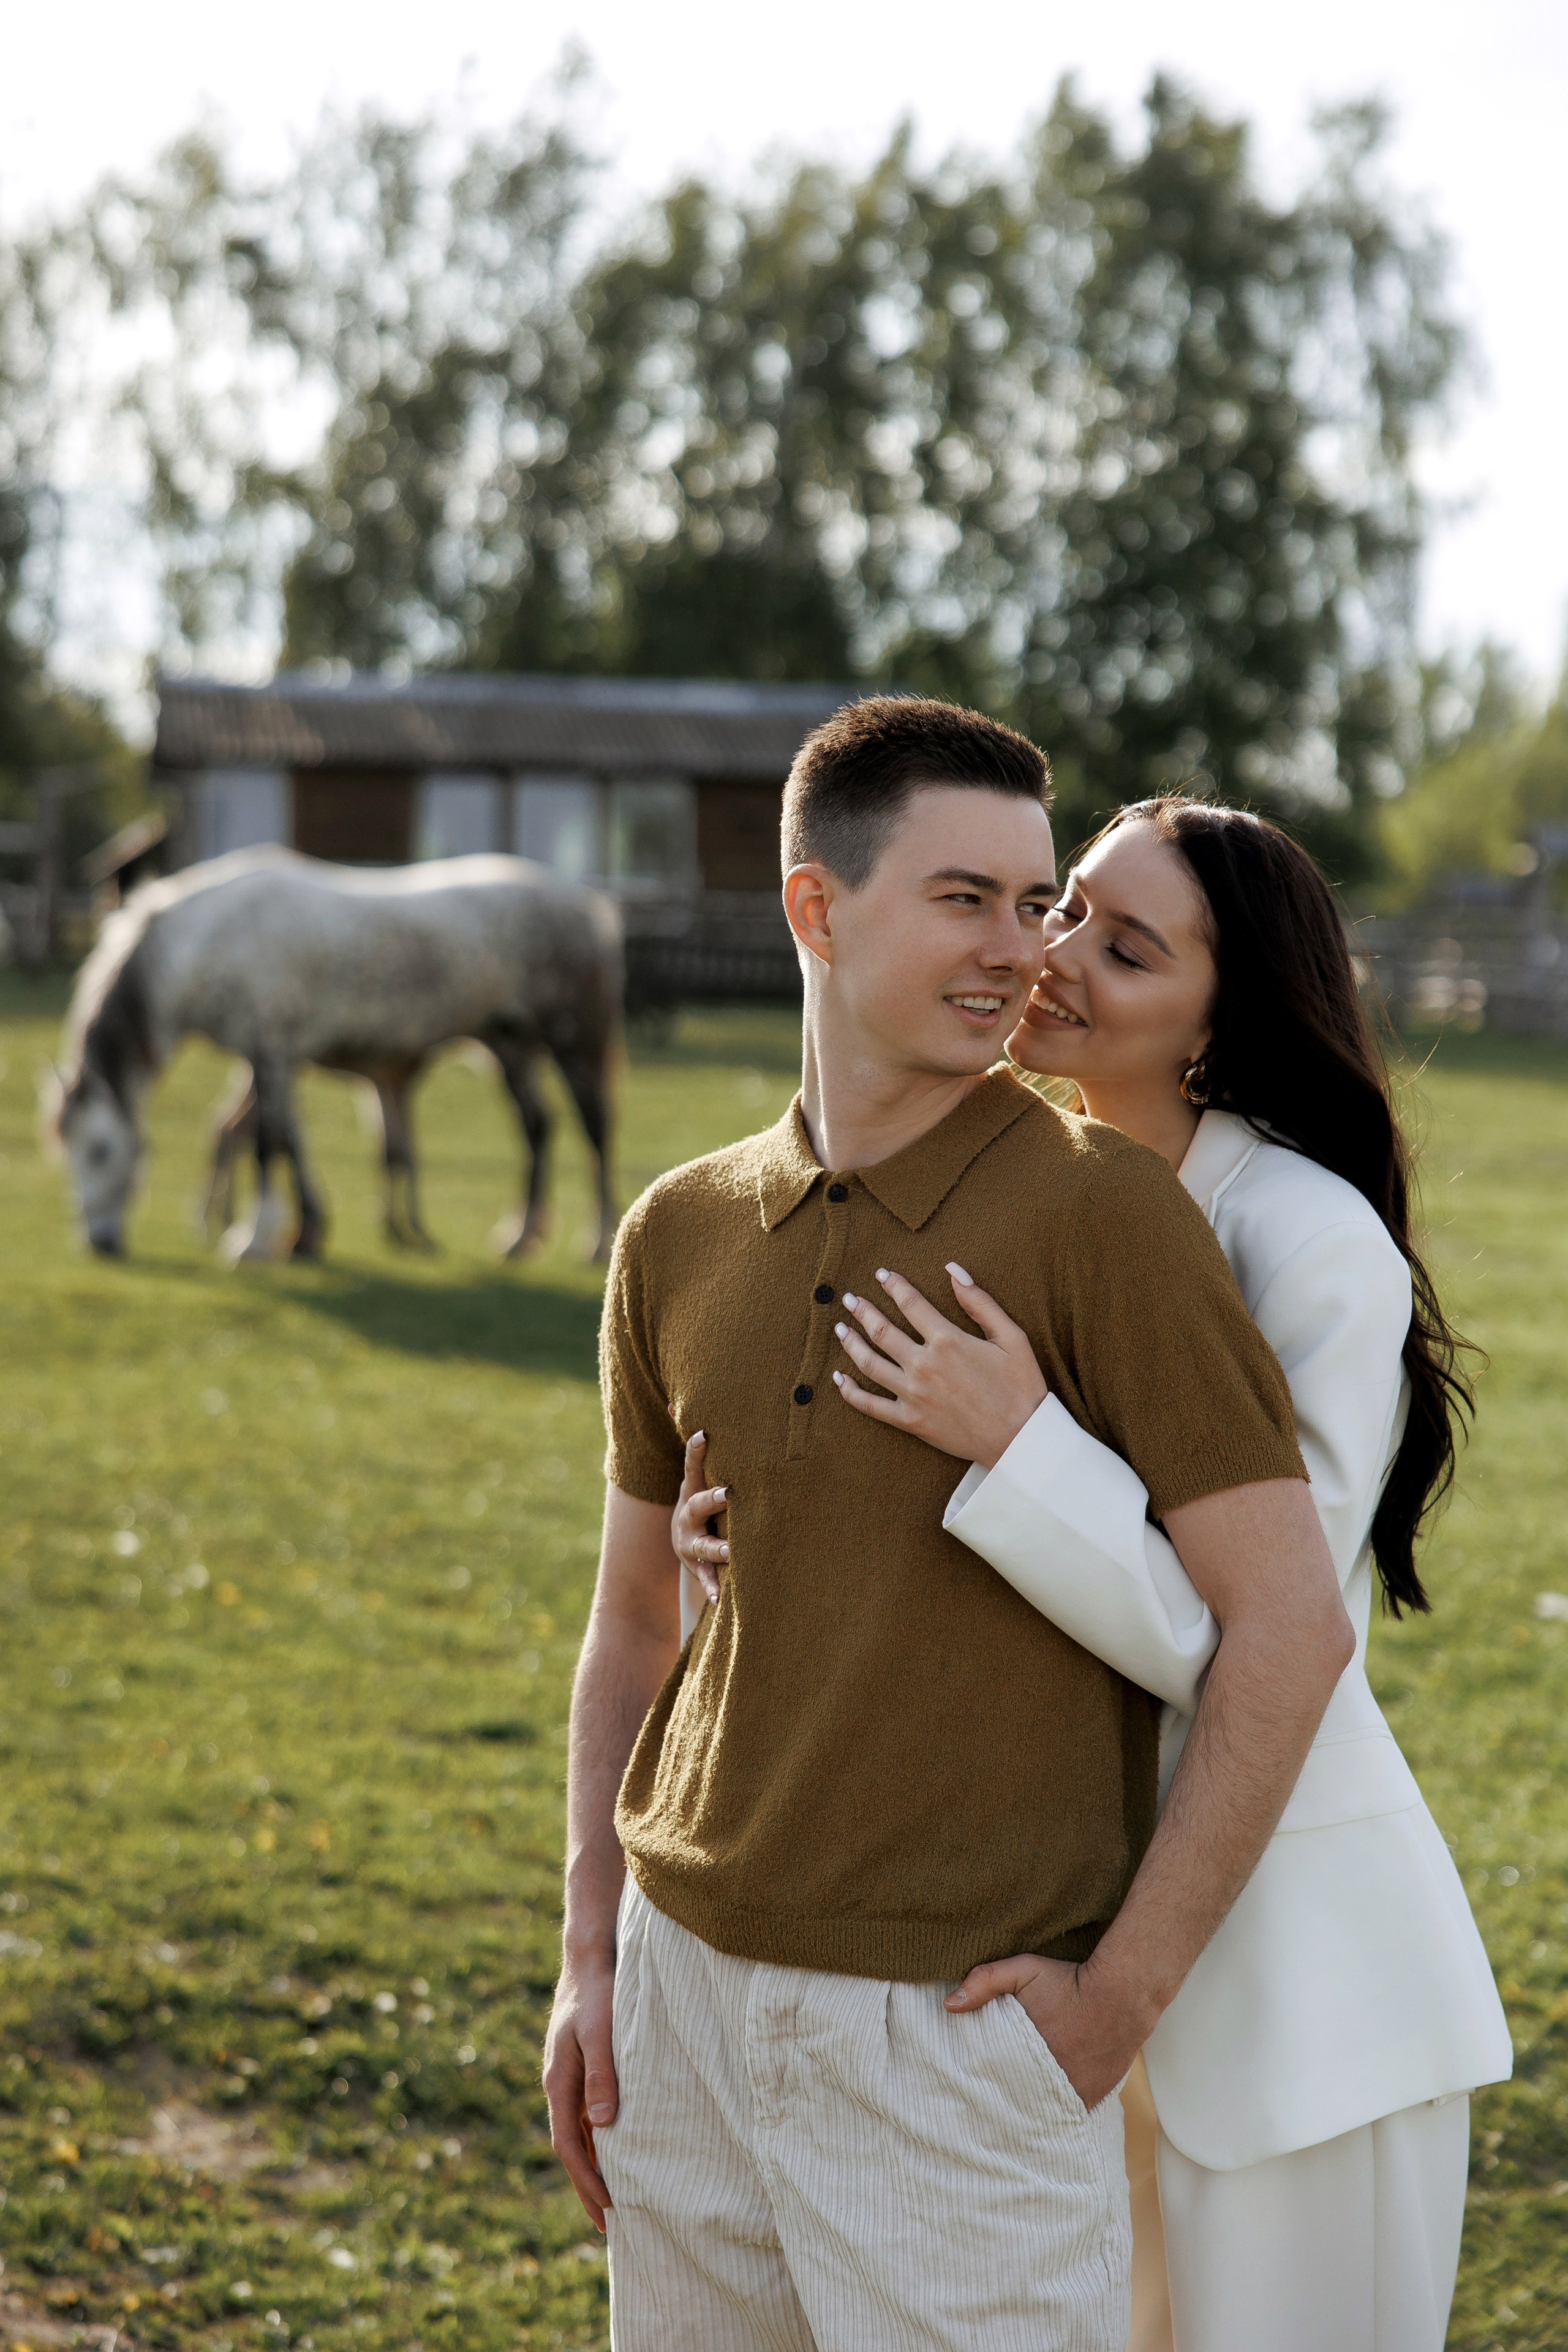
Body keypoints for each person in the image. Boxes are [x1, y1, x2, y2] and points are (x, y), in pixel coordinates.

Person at [547, 699, 1354, 2352]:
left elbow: (1292, 1625)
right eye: (965, 900)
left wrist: (1112, 2005)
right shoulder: (679, 1230)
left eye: (1036, 899)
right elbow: (634, 1617)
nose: (1022, 953)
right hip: (680, 1997)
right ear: (815, 908)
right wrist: (588, 1951)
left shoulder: (1101, 1217)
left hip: (952, 2040)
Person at [677, 795, 1509, 2351]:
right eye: (1064, 912)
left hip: (1284, 1993)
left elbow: (1264, 1635)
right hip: (1022, 1952)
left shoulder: (1302, 1236)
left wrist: (1021, 1446)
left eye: (1121, 948)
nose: (1049, 959)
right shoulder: (1009, 1190)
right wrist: (733, 1540)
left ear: (1219, 1021)